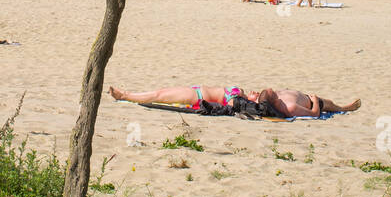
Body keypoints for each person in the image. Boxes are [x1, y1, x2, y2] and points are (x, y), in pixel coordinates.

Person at [109, 81, 361, 117]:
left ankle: (126, 96)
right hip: (197, 90)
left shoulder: (237, 101)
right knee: (160, 93)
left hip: (196, 96)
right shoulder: (242, 96)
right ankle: (127, 95)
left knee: (160, 95)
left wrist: (315, 101)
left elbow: (316, 114)